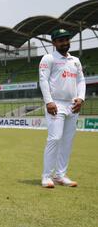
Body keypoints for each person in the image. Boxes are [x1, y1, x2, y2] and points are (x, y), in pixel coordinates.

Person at [39, 29, 85, 188]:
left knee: (67, 141)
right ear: (54, 43)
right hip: (56, 104)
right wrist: (48, 101)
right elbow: (43, 80)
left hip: (72, 104)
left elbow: (81, 81)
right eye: (60, 40)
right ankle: (46, 176)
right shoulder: (48, 58)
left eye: (66, 39)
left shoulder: (75, 60)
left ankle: (60, 175)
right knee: (55, 138)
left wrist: (81, 98)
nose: (64, 43)